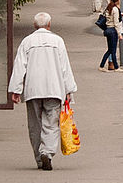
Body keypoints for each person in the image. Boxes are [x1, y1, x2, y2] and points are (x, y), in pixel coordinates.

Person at [8, 12, 77, 171]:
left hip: (33, 90)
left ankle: (39, 159)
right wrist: (69, 90)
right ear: (49, 25)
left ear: (34, 26)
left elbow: (20, 66)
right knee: (51, 123)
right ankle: (47, 152)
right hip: (54, 89)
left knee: (35, 125)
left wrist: (16, 90)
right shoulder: (58, 41)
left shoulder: (27, 42)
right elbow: (64, 67)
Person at [99, 0, 123, 72]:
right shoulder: (115, 9)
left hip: (108, 30)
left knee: (110, 50)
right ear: (117, 1)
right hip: (113, 31)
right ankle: (116, 68)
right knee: (112, 50)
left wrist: (120, 14)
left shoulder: (109, 7)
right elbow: (116, 23)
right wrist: (119, 34)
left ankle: (102, 66)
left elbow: (109, 17)